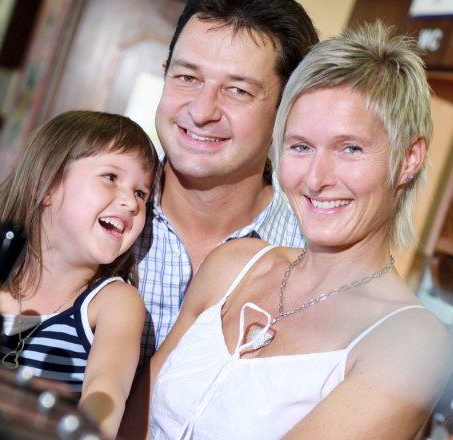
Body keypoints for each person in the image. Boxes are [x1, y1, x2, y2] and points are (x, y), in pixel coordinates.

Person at [131, 21, 453, 439]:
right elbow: (130, 423)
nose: (316, 178)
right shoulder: (232, 265)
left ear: (409, 159)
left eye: (350, 148)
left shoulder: (409, 342)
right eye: (300, 146)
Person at [135, 0, 319, 362]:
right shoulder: (85, 210)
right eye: (187, 78)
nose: (201, 111)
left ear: (288, 112)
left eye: (238, 90)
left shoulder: (315, 258)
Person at [0, 110, 159, 439]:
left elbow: (106, 392)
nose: (132, 203)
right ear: (45, 184)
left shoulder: (114, 303)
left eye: (141, 193)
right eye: (110, 177)